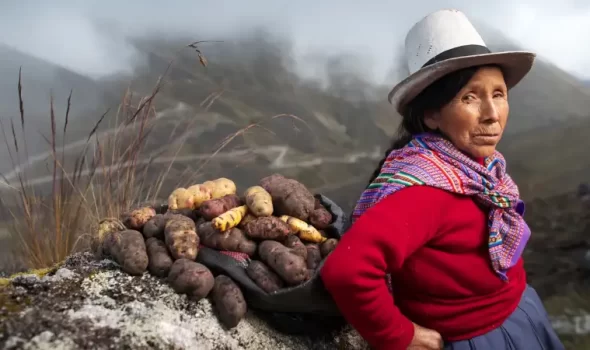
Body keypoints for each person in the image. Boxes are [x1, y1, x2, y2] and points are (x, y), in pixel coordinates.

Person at [320, 9, 565, 350]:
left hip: (521, 314)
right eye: (469, 97)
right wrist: (399, 336)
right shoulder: (427, 191)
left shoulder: (481, 168)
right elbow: (347, 270)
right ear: (432, 115)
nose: (492, 113)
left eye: (498, 94)